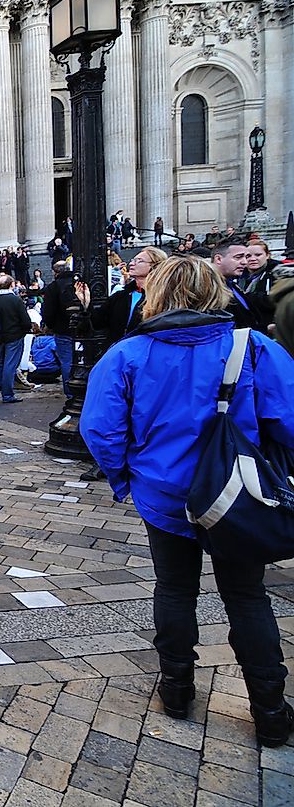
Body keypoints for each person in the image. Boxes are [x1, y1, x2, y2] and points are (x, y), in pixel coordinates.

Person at [82, 255, 294, 745]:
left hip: (164, 494)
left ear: (156, 294)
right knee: (246, 596)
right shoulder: (253, 347)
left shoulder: (126, 355)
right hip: (238, 496)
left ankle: (177, 689)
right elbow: (287, 421)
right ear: (213, 291)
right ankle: (270, 710)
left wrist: (124, 478)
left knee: (174, 589)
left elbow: (100, 429)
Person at [87, 246, 167, 346]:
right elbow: (97, 323)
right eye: (133, 260)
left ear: (155, 266)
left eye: (139, 261)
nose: (132, 263)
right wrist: (86, 304)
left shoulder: (163, 297)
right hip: (119, 353)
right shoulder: (121, 295)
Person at [0, 275, 30, 403]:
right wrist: (25, 330)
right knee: (10, 365)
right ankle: (7, 394)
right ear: (11, 285)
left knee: (0, 362)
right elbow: (25, 320)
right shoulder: (15, 300)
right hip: (14, 335)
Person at [41, 260, 80, 399]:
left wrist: (51, 325)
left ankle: (70, 392)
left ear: (55, 272)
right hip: (81, 327)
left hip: (62, 329)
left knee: (66, 361)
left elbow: (48, 311)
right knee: (81, 358)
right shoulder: (79, 282)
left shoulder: (53, 287)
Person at [212, 237, 259, 329]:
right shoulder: (208, 289)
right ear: (218, 259)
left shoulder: (232, 284)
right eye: (238, 257)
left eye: (246, 257)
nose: (245, 262)